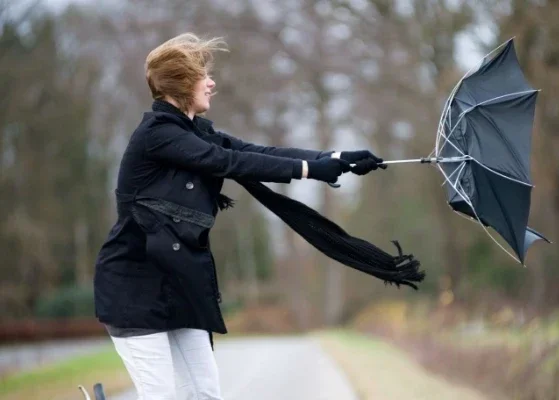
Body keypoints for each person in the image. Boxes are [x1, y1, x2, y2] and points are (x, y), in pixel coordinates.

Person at [93, 33, 386, 400]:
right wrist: (310, 170)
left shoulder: (195, 131)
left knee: (205, 393)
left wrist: (336, 157)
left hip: (181, 284)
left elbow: (254, 150)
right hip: (134, 287)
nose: (212, 82)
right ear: (183, 83)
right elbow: (228, 162)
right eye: (203, 75)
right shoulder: (158, 135)